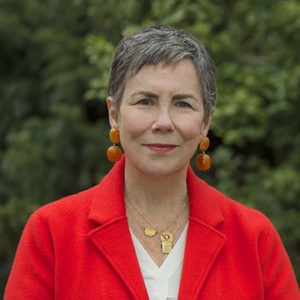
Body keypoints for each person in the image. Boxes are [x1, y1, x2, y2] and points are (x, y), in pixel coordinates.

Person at [4, 25, 299, 300]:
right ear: (114, 113)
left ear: (206, 122)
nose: (163, 122)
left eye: (183, 104)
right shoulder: (51, 233)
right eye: (145, 101)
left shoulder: (254, 238)